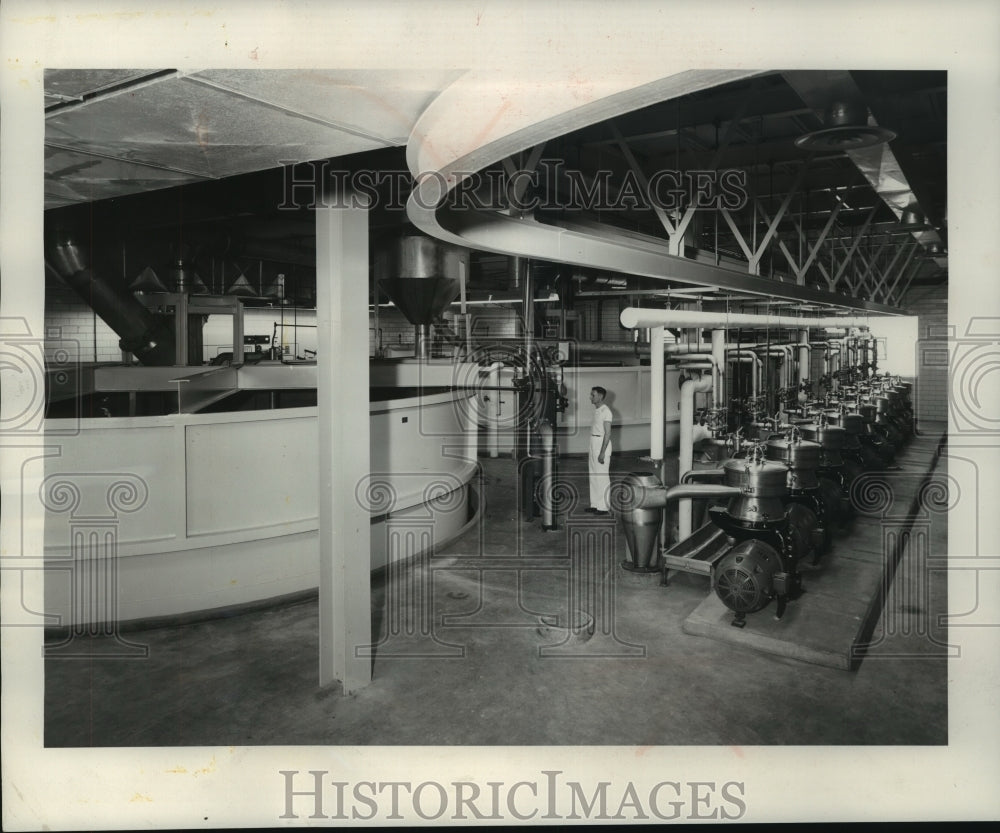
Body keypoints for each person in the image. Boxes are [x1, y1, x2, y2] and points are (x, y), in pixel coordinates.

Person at [586, 386, 613, 514]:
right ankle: (595, 504)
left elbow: (607, 434)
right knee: (593, 474)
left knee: (602, 476)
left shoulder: (606, 411)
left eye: (593, 395)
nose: (590, 397)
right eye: (591, 395)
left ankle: (603, 507)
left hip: (602, 443)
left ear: (600, 396)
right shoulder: (596, 410)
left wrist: (602, 452)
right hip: (593, 442)